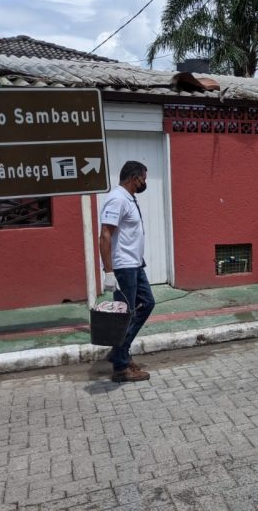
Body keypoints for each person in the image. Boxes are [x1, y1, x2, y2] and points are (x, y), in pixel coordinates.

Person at [99, 161, 155, 382]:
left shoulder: (128, 199)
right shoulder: (117, 199)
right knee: (124, 316)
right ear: (134, 177)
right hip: (123, 267)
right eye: (144, 178)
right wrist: (109, 272)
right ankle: (120, 369)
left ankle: (120, 351)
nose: (144, 182)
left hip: (135, 265)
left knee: (147, 303)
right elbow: (105, 235)